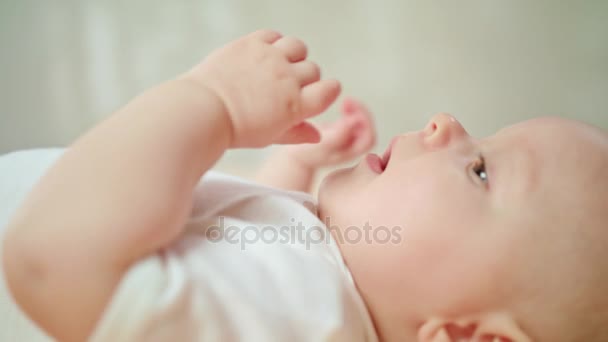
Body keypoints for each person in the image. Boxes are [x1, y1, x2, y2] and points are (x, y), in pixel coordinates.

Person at [2, 29, 607, 342]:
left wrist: (214, 104)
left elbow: (50, 262)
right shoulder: (316, 300)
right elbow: (226, 247)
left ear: (463, 335)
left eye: (482, 170)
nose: (445, 122)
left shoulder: (298, 318)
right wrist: (294, 175)